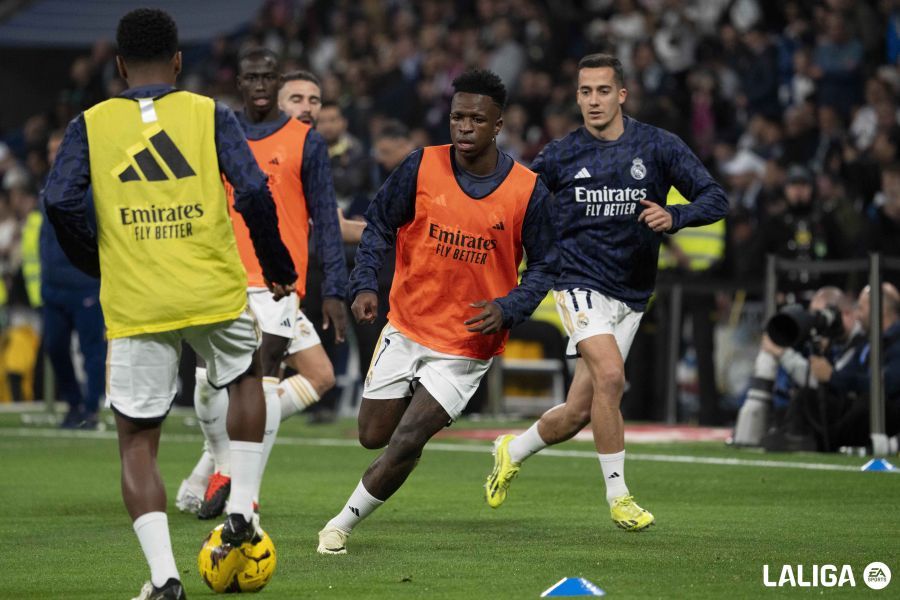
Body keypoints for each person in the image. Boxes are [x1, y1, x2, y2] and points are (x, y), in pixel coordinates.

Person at [43, 9, 296, 600]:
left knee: (137, 439)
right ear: (179, 62)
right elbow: (253, 190)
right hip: (212, 286)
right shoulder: (210, 114)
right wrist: (277, 265)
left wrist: (98, 260)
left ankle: (165, 580)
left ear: (119, 65)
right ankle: (241, 508)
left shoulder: (90, 124)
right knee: (246, 378)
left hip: (137, 298)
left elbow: (59, 200)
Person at [316, 69, 559, 555]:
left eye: (477, 119)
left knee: (407, 439)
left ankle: (338, 526)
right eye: (457, 117)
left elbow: (546, 265)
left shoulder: (528, 190)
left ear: (498, 124)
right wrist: (364, 284)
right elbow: (378, 225)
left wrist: (509, 307)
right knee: (372, 436)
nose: (465, 126)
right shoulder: (420, 165)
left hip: (467, 344)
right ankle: (411, 434)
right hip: (407, 324)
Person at [484, 53, 728, 531]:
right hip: (577, 282)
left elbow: (716, 197)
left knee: (579, 411)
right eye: (585, 92)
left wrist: (675, 216)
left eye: (602, 91)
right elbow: (516, 206)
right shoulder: (559, 155)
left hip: (632, 294)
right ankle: (619, 497)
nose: (593, 100)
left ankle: (513, 448)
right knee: (612, 377)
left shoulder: (657, 146)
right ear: (577, 98)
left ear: (621, 94)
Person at [175, 48, 348, 519]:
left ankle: (240, 494)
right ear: (240, 82)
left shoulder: (306, 142)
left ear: (275, 82)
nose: (259, 85)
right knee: (210, 384)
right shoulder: (219, 131)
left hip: (278, 284)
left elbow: (325, 220)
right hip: (222, 277)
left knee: (265, 380)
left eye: (267, 77)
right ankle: (218, 465)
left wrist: (335, 289)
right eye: (251, 77)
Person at [733, 286, 863, 451]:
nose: (817, 322)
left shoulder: (859, 342)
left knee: (804, 394)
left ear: (845, 314)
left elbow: (822, 381)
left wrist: (783, 353)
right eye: (813, 314)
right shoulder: (820, 341)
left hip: (845, 416)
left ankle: (794, 434)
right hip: (807, 410)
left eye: (821, 315)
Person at [38, 130, 107, 429]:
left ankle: (90, 409)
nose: (54, 156)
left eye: (59, 149)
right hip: (53, 286)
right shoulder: (48, 185)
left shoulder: (90, 186)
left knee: (92, 350)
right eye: (50, 150)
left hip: (85, 285)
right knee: (54, 347)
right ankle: (73, 403)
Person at [808, 283, 900, 449]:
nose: (857, 315)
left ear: (880, 310)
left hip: (888, 413)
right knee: (808, 396)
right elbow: (846, 374)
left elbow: (885, 384)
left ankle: (827, 444)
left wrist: (833, 376)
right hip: (862, 410)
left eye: (861, 308)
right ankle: (797, 438)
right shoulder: (868, 342)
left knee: (867, 403)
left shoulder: (896, 342)